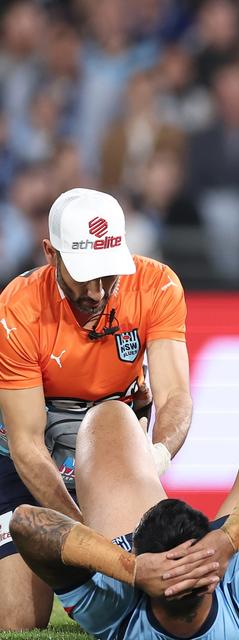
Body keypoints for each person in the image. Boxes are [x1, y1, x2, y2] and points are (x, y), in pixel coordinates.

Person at [0, 187, 193, 630]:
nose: (96, 290)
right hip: (23, 461)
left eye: (108, 274)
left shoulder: (157, 285)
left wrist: (154, 458)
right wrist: (85, 539)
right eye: (83, 274)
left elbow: (175, 397)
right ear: (51, 254)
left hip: (109, 451)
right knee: (18, 621)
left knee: (153, 601)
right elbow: (27, 446)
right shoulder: (17, 309)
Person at [9, 402, 239, 640]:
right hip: (231, 581)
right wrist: (228, 539)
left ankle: (141, 465)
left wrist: (131, 569)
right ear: (213, 579)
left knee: (109, 417)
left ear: (137, 553)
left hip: (156, 556)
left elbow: (25, 522)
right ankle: (144, 462)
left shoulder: (114, 609)